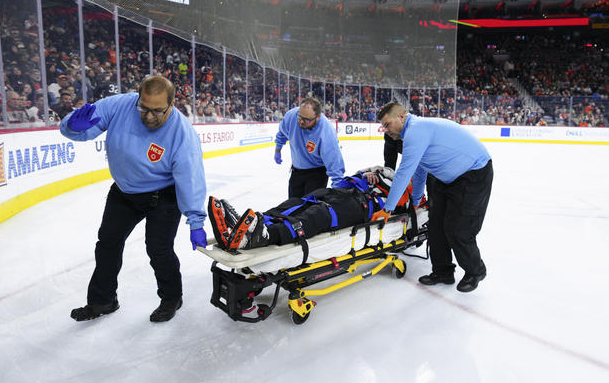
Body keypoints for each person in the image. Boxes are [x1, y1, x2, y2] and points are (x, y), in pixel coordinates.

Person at [60, 75, 208, 323]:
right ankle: (103, 300)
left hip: (163, 196)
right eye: (144, 108)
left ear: (172, 104)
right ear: (138, 98)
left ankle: (172, 297)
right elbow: (82, 130)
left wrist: (196, 221)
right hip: (125, 191)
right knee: (107, 243)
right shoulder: (120, 105)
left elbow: (191, 178)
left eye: (157, 111)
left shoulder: (182, 133)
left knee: (158, 249)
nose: (149, 116)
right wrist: (72, 125)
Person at [373, 102, 493, 293]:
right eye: (383, 126)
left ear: (402, 117)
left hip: (473, 173)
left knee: (458, 228)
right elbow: (420, 170)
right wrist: (415, 202)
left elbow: (404, 173)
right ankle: (443, 271)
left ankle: (475, 271)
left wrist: (388, 208)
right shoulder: (412, 134)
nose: (385, 130)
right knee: (436, 225)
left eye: (387, 124)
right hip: (445, 177)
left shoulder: (415, 131)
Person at [208, 165, 417, 251]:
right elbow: (352, 178)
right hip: (345, 192)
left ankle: (266, 235)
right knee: (298, 202)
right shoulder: (387, 172)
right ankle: (255, 222)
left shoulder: (410, 192)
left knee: (320, 215)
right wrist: (367, 173)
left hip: (363, 206)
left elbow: (405, 204)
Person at [274, 97, 345, 198]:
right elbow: (282, 133)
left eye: (306, 120)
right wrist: (278, 149)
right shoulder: (291, 116)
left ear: (317, 117)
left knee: (310, 209)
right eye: (300, 117)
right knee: (292, 207)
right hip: (297, 171)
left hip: (317, 174)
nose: (301, 122)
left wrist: (337, 189)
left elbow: (334, 161)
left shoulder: (326, 131)